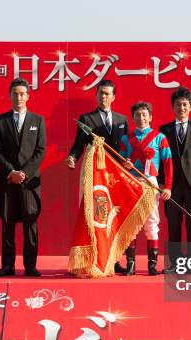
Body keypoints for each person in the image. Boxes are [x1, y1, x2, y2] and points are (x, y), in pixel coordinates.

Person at [65, 79, 130, 274]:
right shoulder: (87, 119)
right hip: (94, 173)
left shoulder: (121, 120)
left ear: (113, 97)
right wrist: (72, 158)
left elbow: (127, 148)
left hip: (115, 175)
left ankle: (114, 258)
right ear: (96, 95)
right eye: (101, 93)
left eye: (107, 93)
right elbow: (79, 144)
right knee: (94, 214)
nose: (104, 96)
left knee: (114, 215)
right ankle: (92, 258)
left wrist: (129, 163)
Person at [0, 78, 46, 277]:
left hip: (29, 182)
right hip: (7, 181)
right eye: (15, 93)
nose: (19, 97)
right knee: (7, 224)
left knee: (30, 224)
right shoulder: (0, 120)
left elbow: (40, 151)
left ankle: (30, 266)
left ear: (28, 96)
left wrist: (24, 174)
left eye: (22, 93)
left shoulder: (37, 120)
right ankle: (7, 266)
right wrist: (11, 172)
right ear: (9, 95)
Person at [159, 87, 191, 274]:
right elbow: (160, 158)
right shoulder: (164, 130)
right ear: (172, 107)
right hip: (171, 186)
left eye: (185, 104)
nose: (181, 107)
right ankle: (175, 263)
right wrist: (161, 182)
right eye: (178, 104)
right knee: (173, 225)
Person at [119, 101, 173, 276]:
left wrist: (168, 187)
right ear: (132, 118)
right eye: (137, 115)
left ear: (150, 117)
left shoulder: (160, 138)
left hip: (150, 183)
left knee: (151, 222)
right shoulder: (125, 139)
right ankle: (131, 264)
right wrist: (124, 164)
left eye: (144, 114)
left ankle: (152, 265)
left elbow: (168, 164)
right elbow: (119, 163)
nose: (141, 118)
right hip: (131, 183)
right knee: (131, 224)